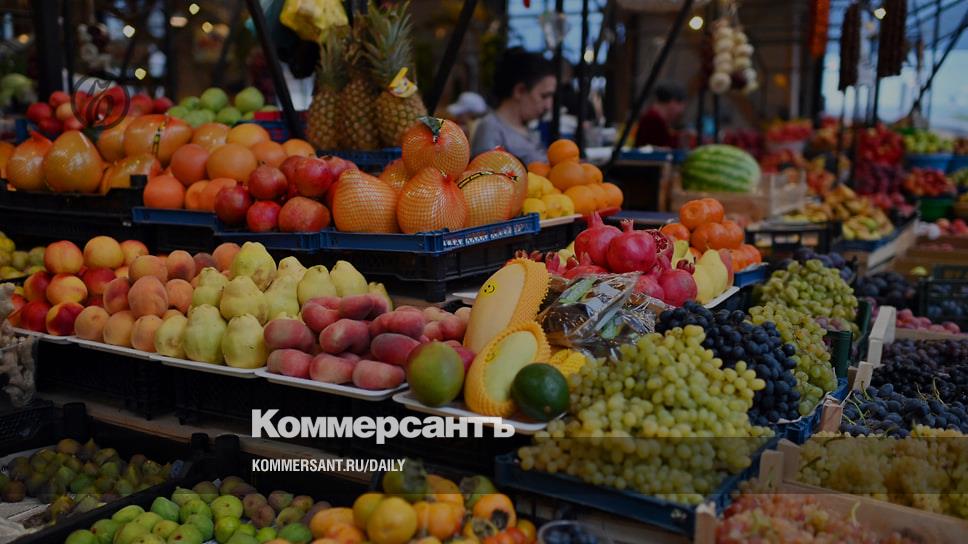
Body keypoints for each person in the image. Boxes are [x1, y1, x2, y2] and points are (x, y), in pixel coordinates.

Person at [471, 48, 556, 165]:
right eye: (544, 96)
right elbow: (485, 173)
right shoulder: (491, 129)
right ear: (520, 91)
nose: (548, 105)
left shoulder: (528, 129)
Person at [634, 82, 686, 148]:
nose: (681, 110)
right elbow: (661, 148)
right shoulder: (653, 120)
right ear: (672, 102)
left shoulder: (654, 117)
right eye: (680, 105)